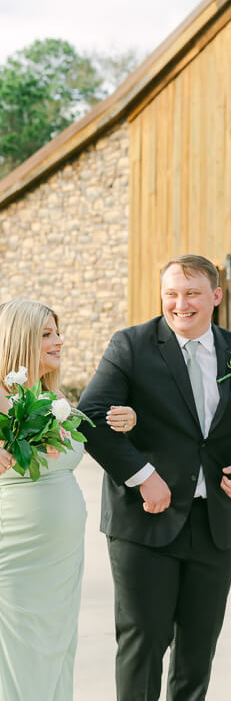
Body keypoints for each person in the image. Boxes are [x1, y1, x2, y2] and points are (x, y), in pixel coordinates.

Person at [78, 255, 231, 701]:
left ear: (215, 296)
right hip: (143, 522)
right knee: (143, 644)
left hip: (214, 526)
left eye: (191, 293)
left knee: (197, 653)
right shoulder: (130, 345)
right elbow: (90, 417)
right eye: (171, 293)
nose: (180, 304)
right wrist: (142, 475)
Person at [0, 299, 136, 700]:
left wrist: (130, 420)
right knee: (16, 652)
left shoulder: (52, 403)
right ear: (18, 339)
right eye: (46, 334)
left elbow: (98, 440)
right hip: (14, 555)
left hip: (59, 561)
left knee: (54, 649)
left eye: (57, 332)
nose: (58, 341)